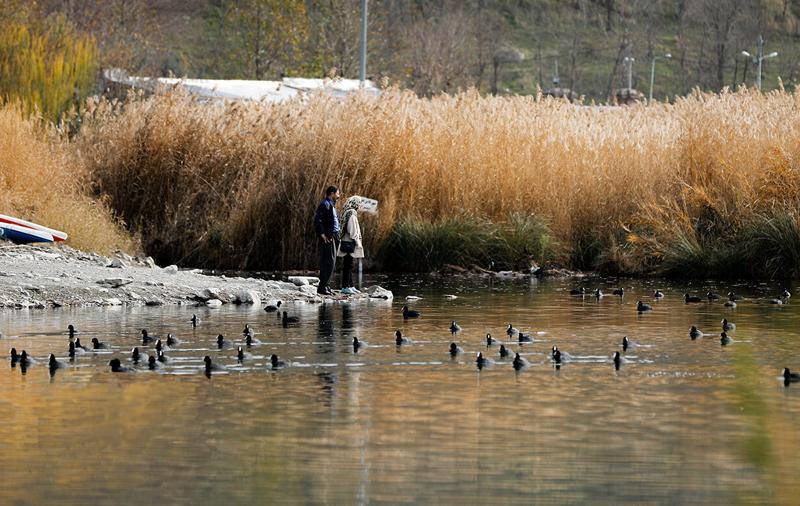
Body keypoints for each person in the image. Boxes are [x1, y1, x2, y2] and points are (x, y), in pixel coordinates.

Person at [313, 186, 340, 295]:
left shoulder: (332, 205)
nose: (339, 196)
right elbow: (317, 220)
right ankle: (322, 287)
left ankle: (326, 285)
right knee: (328, 262)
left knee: (332, 262)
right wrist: (322, 234)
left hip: (334, 236)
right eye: (337, 193)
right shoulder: (325, 204)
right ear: (332, 193)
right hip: (328, 237)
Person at [337, 196, 364, 294]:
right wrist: (358, 242)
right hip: (349, 242)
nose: (360, 205)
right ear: (355, 203)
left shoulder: (348, 211)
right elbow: (352, 230)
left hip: (346, 241)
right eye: (359, 203)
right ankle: (345, 287)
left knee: (349, 264)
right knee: (348, 265)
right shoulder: (352, 213)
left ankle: (350, 286)